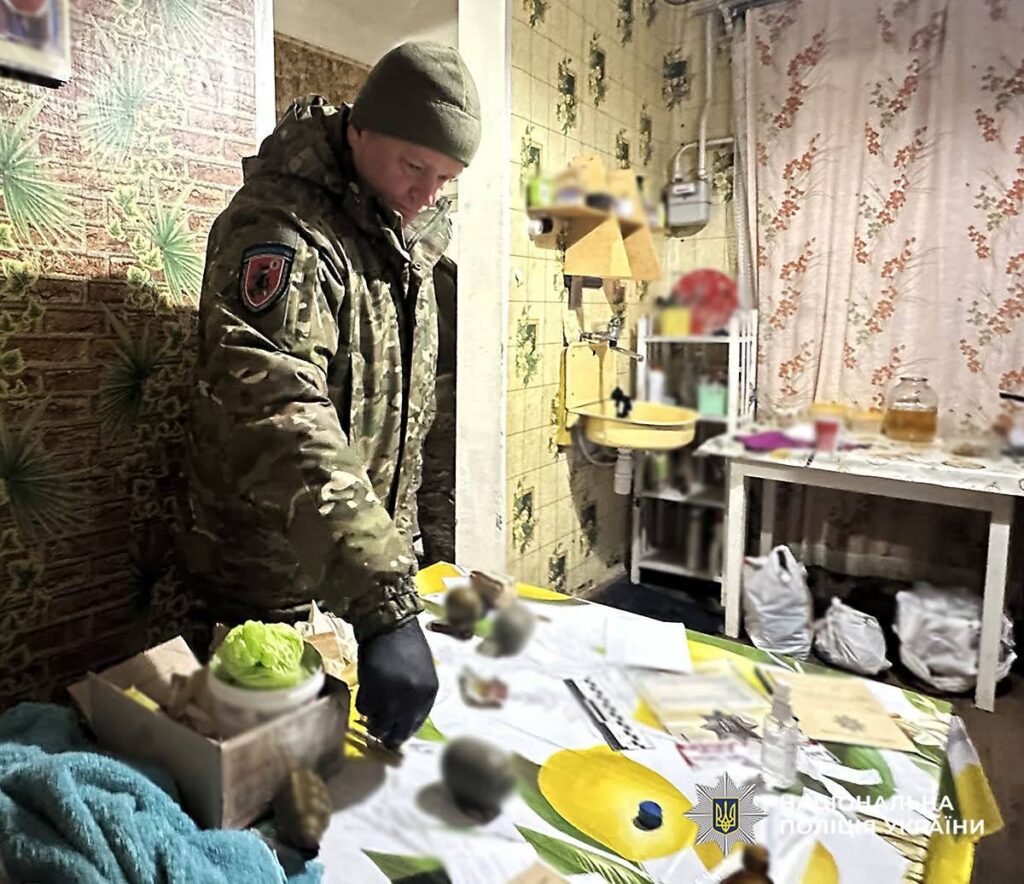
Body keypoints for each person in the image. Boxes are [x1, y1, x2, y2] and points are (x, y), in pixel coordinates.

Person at [183, 42, 481, 749]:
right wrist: (384, 605)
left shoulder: (403, 242)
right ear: (360, 129)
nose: (428, 193)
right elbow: (278, 406)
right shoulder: (281, 230)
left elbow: (409, 414)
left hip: (358, 575)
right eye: (414, 166)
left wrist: (410, 559)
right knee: (274, 786)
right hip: (268, 580)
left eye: (446, 177)